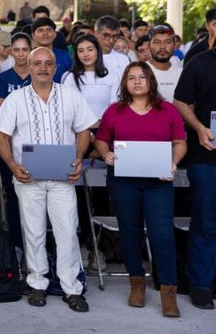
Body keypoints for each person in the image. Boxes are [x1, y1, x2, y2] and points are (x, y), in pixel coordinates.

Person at [0, 47, 98, 313]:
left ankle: (71, 288)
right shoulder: (15, 99)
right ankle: (37, 284)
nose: (42, 68)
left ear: (55, 68)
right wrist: (13, 166)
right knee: (34, 231)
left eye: (48, 63)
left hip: (63, 177)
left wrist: (78, 158)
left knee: (67, 233)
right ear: (28, 66)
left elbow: (84, 130)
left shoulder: (71, 96)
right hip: (28, 177)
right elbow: (1, 137)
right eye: (36, 63)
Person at [94, 61, 186, 317]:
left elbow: (180, 142)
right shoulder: (115, 111)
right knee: (130, 232)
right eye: (131, 77)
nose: (136, 81)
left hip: (159, 182)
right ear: (125, 83)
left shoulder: (167, 110)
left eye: (142, 77)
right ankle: (137, 284)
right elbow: (101, 140)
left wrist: (174, 161)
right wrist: (107, 154)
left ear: (150, 82)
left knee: (163, 235)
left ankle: (169, 291)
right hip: (124, 182)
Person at [173, 40, 216, 310]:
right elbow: (180, 102)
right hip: (207, 155)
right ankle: (200, 283)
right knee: (206, 222)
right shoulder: (199, 63)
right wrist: (199, 128)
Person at [61, 34, 120, 119]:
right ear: (76, 54)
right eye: (81, 51)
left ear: (97, 51)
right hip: (78, 129)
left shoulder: (112, 77)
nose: (86, 54)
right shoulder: (70, 77)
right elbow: (67, 108)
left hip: (105, 127)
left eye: (90, 50)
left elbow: (115, 107)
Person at [145, 25, 182, 103]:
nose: (162, 47)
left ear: (174, 45)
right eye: (157, 42)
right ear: (148, 45)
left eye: (168, 42)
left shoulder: (182, 73)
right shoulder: (141, 71)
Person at [31, 17, 71, 83]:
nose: (45, 33)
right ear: (33, 36)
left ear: (55, 34)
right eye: (40, 30)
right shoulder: (28, 57)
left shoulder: (65, 57)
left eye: (49, 30)